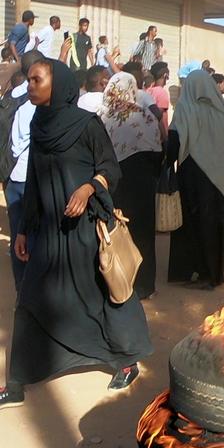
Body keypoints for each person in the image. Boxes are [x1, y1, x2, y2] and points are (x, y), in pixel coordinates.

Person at [0, 59, 151, 408]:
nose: (31, 85)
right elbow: (36, 183)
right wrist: (23, 230)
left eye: (37, 80)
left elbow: (110, 170)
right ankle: (18, 382)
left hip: (86, 231)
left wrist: (87, 189)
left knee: (104, 294)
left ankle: (128, 361)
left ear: (59, 84)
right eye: (31, 80)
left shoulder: (87, 125)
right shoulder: (39, 124)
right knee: (29, 300)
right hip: (51, 233)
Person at [166, 66, 224, 288]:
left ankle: (194, 271)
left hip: (192, 177)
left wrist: (167, 163)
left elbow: (174, 141)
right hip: (219, 180)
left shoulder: (185, 110)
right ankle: (213, 274)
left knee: (191, 225)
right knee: (213, 226)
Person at [97, 71, 163, 299]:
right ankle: (144, 285)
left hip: (112, 183)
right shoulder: (145, 116)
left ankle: (117, 283)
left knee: (114, 233)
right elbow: (157, 153)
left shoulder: (101, 117)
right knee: (143, 233)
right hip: (142, 183)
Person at [4, 54, 39, 290]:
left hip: (10, 175)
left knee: (17, 231)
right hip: (28, 175)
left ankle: (21, 290)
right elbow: (20, 142)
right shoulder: (31, 103)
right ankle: (31, 291)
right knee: (32, 234)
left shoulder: (10, 96)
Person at [147, 61, 172, 137]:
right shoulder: (162, 93)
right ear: (165, 75)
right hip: (159, 136)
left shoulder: (148, 90)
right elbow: (158, 116)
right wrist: (165, 138)